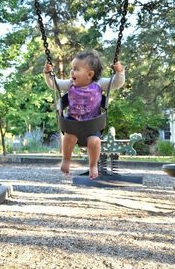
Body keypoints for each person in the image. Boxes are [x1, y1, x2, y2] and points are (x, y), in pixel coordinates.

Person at [43, 51, 125, 179]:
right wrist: (48, 74)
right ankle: (66, 160)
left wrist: (119, 72)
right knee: (69, 138)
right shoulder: (70, 84)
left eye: (76, 69)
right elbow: (55, 84)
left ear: (90, 74)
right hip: (73, 124)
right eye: (72, 69)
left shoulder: (99, 83)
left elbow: (116, 83)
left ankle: (92, 165)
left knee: (95, 141)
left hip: (92, 126)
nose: (72, 72)